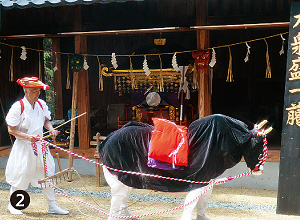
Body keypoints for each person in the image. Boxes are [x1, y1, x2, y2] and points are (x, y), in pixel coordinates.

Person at [5, 76, 69, 215]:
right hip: (24, 146)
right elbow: (11, 129)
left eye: (39, 91)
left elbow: (46, 121)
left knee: (47, 173)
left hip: (40, 145)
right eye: (34, 91)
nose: (38, 93)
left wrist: (51, 129)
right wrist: (28, 137)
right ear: (26, 90)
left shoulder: (41, 104)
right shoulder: (18, 107)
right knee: (21, 173)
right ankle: (14, 205)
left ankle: (52, 206)